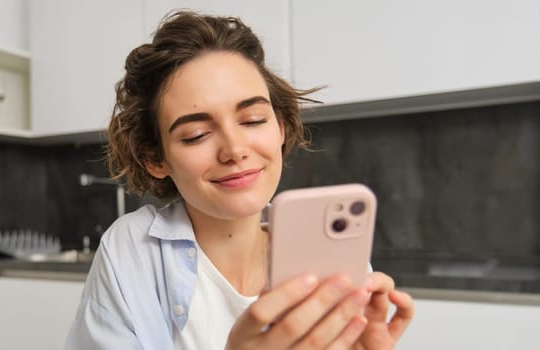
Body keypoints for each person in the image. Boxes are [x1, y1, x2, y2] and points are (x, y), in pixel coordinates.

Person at [66, 11, 414, 350]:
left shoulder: (331, 259)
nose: (234, 150)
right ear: (156, 159)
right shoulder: (131, 250)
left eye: (252, 119)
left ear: (279, 127)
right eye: (197, 134)